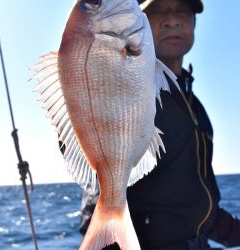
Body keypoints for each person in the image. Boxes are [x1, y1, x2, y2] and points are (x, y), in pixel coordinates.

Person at [67, 0, 240, 249]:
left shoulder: (195, 106)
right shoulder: (125, 84)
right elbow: (97, 179)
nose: (172, 20)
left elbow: (196, 202)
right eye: (158, 11)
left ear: (194, 23)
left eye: (182, 11)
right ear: (140, 19)